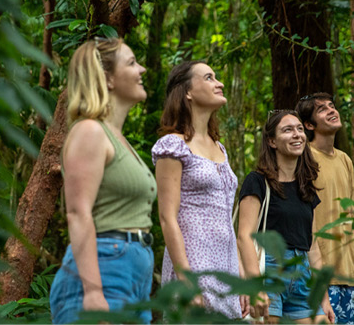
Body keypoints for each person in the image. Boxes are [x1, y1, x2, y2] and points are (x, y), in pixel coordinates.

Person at [49, 38, 157, 324]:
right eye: (132, 63)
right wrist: (94, 291)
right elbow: (77, 212)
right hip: (104, 270)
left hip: (133, 274)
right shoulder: (90, 131)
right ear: (107, 78)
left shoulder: (118, 139)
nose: (142, 69)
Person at [152, 61, 243, 318]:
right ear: (188, 92)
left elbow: (226, 219)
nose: (219, 83)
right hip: (194, 268)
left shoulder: (220, 148)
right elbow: (167, 217)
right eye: (209, 78)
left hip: (226, 270)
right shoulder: (172, 145)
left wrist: (241, 278)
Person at [237, 110, 336, 324]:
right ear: (272, 141)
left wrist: (324, 298)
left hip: (303, 275)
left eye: (300, 129)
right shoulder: (257, 181)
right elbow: (245, 236)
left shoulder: (306, 189)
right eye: (287, 130)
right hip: (270, 271)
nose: (297, 134)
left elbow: (314, 247)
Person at [296, 93, 354, 324]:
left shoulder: (345, 160)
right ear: (309, 125)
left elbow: (353, 218)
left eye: (332, 106)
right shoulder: (304, 157)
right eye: (322, 109)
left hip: (349, 275)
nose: (331, 110)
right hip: (317, 274)